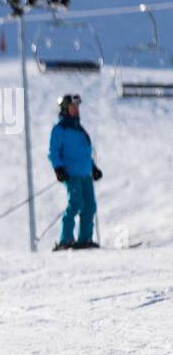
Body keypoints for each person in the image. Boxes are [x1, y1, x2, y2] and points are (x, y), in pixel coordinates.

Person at [48, 94, 102, 250]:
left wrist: (93, 168)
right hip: (71, 173)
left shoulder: (79, 130)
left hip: (85, 173)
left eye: (77, 107)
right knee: (76, 203)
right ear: (65, 109)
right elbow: (54, 152)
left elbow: (85, 153)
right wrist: (58, 168)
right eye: (73, 107)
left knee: (90, 206)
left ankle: (84, 239)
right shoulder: (60, 129)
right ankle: (65, 239)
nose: (76, 110)